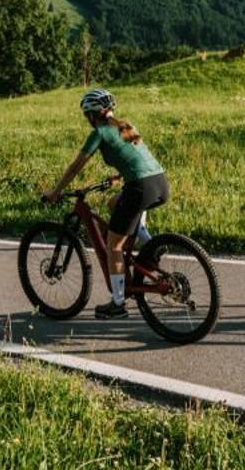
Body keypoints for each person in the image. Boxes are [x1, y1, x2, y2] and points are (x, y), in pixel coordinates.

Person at [41, 88, 169, 317]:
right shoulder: (125, 125)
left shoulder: (99, 133)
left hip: (139, 188)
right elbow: (137, 155)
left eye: (86, 116)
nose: (87, 120)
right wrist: (120, 176)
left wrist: (55, 191)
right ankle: (151, 246)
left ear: (92, 115)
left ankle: (118, 304)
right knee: (113, 204)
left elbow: (75, 166)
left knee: (114, 246)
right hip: (159, 182)